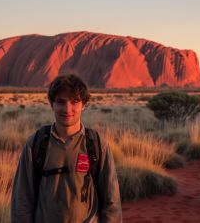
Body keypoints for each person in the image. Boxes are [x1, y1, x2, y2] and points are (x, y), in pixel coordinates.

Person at [11, 74, 122, 223]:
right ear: (52, 104)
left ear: (83, 105)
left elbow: (112, 199)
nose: (67, 109)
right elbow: (22, 200)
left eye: (74, 101)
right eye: (61, 102)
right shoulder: (36, 144)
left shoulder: (96, 144)